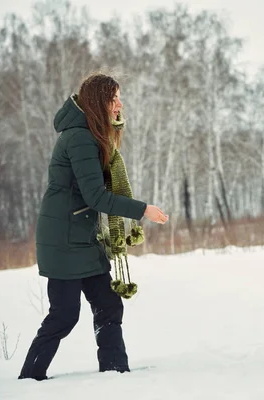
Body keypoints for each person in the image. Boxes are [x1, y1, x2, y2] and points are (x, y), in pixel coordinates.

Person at [18, 73, 168, 381]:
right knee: (63, 315)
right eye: (114, 99)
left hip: (82, 237)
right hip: (63, 240)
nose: (119, 105)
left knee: (107, 304)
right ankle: (29, 380)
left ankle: (115, 373)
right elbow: (96, 196)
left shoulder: (91, 134)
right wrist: (143, 210)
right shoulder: (80, 138)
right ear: (100, 103)